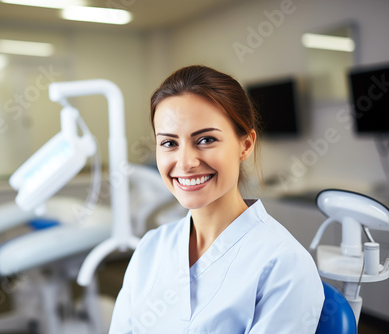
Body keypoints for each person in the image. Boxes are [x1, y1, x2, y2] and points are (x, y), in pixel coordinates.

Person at [109, 65, 324, 333]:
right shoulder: (150, 248)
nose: (186, 163)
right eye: (169, 143)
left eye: (206, 139)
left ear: (245, 145)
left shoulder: (284, 264)